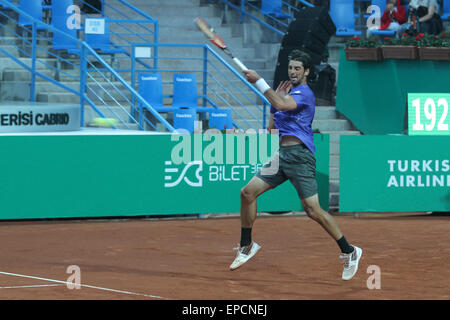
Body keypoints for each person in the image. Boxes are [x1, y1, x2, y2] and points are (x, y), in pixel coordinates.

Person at [229, 50, 362, 281]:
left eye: (297, 68)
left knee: (313, 211)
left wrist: (260, 82)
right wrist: (273, 102)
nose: (292, 72)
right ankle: (246, 245)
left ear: (307, 71)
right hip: (282, 155)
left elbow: (282, 103)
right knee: (247, 193)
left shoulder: (305, 93)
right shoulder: (284, 95)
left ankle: (349, 251)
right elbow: (272, 128)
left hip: (300, 156)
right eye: (290, 68)